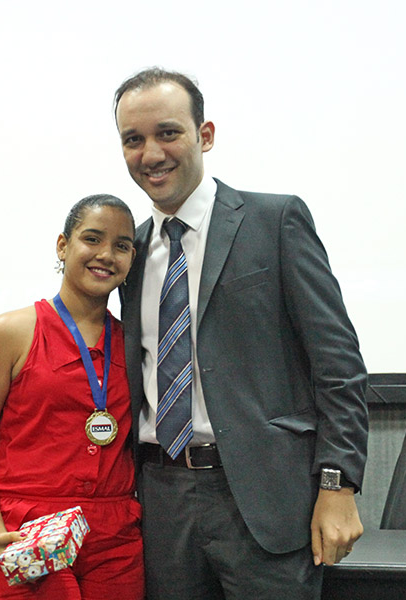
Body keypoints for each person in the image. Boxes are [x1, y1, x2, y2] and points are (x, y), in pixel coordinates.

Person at [113, 68, 369, 599]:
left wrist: (337, 484)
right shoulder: (130, 252)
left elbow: (338, 366)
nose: (151, 153)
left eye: (167, 132)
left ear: (205, 135)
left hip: (263, 498)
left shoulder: (274, 220)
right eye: (133, 140)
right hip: (162, 499)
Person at [0, 194, 145, 600]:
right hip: (25, 533)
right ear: (62, 245)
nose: (106, 255)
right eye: (92, 239)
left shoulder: (134, 345)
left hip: (115, 540)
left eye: (122, 246)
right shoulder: (10, 333)